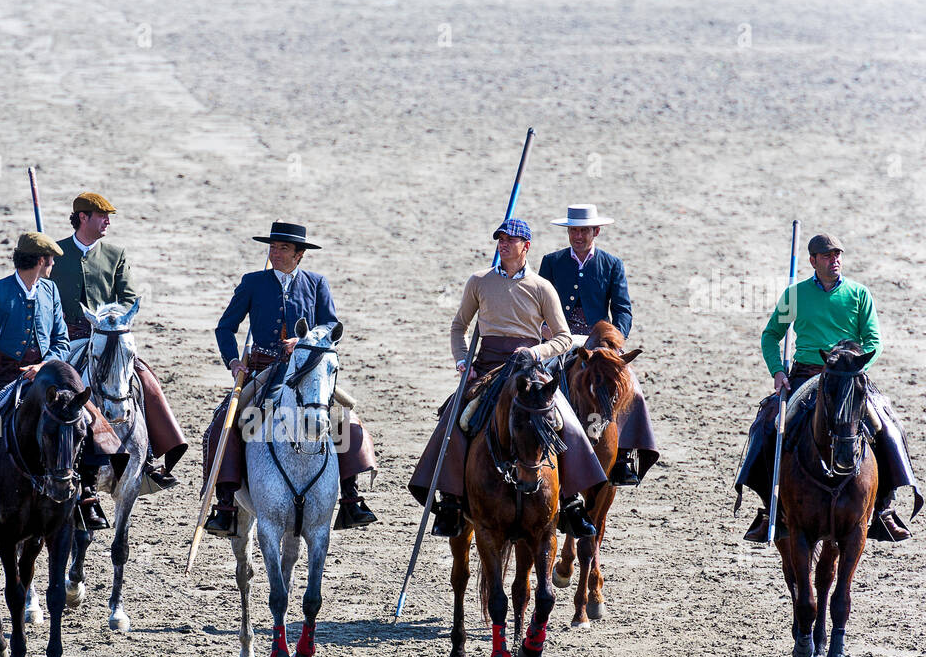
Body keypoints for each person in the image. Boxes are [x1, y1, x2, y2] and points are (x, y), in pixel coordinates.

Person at [408, 218, 607, 538]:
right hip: (487, 367)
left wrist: (537, 354)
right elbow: (459, 326)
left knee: (563, 420)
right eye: (500, 238)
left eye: (510, 240)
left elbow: (563, 337)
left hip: (530, 369)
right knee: (455, 416)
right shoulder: (479, 281)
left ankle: (569, 501)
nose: (503, 244)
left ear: (525, 247)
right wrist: (462, 361)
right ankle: (451, 500)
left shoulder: (543, 287)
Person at [736, 233, 922, 542]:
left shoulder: (859, 294)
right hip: (806, 374)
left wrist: (855, 367)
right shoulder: (794, 296)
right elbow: (771, 336)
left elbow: (873, 340)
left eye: (837, 255)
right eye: (827, 256)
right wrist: (778, 372)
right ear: (813, 261)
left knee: (888, 427)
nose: (834, 260)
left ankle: (884, 509)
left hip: (848, 377)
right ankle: (770, 508)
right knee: (768, 424)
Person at [0, 232, 121, 539]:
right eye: (50, 261)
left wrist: (44, 364)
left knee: (88, 421)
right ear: (40, 261)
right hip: (6, 378)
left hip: (48, 376)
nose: (52, 266)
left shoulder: (50, 291)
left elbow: (62, 341)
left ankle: (86, 494)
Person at [202, 221, 377, 537]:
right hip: (262, 370)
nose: (275, 253)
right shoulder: (253, 282)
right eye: (272, 247)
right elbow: (225, 327)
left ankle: (350, 498)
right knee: (222, 424)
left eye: (282, 248)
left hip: (306, 372)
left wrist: (305, 340)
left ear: (299, 255)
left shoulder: (316, 283)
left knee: (346, 420)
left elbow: (331, 327)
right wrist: (232, 361)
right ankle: (225, 505)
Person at [48, 192, 187, 490]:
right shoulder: (55, 254)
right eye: (102, 216)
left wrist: (110, 319)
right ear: (83, 217)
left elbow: (127, 297)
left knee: (144, 380)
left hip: (109, 339)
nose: (107, 221)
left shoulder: (115, 254)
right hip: (66, 338)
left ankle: (148, 455)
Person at [537, 203, 655, 485]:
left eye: (584, 231)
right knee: (535, 384)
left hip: (598, 344)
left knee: (632, 390)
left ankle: (623, 456)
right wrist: (543, 327)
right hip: (559, 339)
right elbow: (538, 302)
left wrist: (615, 342)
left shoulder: (612, 264)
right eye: (574, 230)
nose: (578, 236)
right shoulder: (552, 262)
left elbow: (623, 309)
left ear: (596, 231)